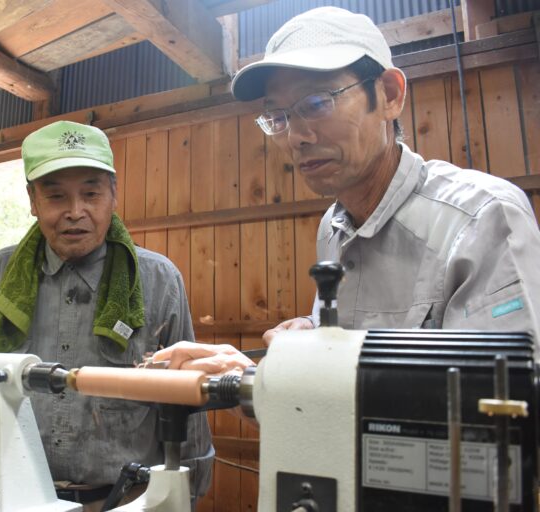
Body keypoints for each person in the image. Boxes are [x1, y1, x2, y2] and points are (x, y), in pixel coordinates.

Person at [153, 6, 540, 373]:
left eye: (318, 102)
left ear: (389, 95)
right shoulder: (334, 227)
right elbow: (353, 352)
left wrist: (268, 383)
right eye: (278, 116)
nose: (296, 137)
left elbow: (501, 410)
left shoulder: (482, 218)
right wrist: (311, 335)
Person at [0, 120, 213, 511]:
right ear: (33, 201)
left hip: (123, 501)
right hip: (12, 497)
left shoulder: (158, 279)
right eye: (56, 196)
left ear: (113, 194)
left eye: (91, 193)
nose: (75, 212)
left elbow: (188, 399)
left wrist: (186, 491)